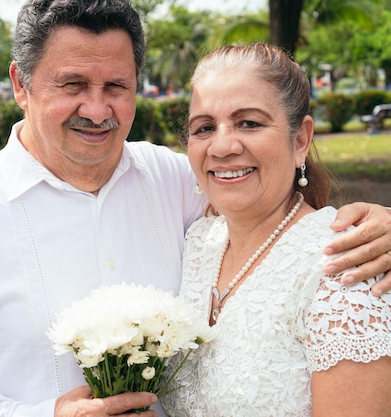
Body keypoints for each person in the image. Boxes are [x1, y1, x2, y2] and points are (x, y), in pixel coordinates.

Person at [0, 1, 391, 416]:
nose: (98, 109)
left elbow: (271, 206)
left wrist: (377, 223)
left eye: (116, 87)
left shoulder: (175, 181)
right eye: (73, 84)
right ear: (21, 84)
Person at [160, 43, 391, 417]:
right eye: (204, 128)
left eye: (248, 123)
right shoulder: (198, 243)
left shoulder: (345, 268)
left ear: (300, 139)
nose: (221, 146)